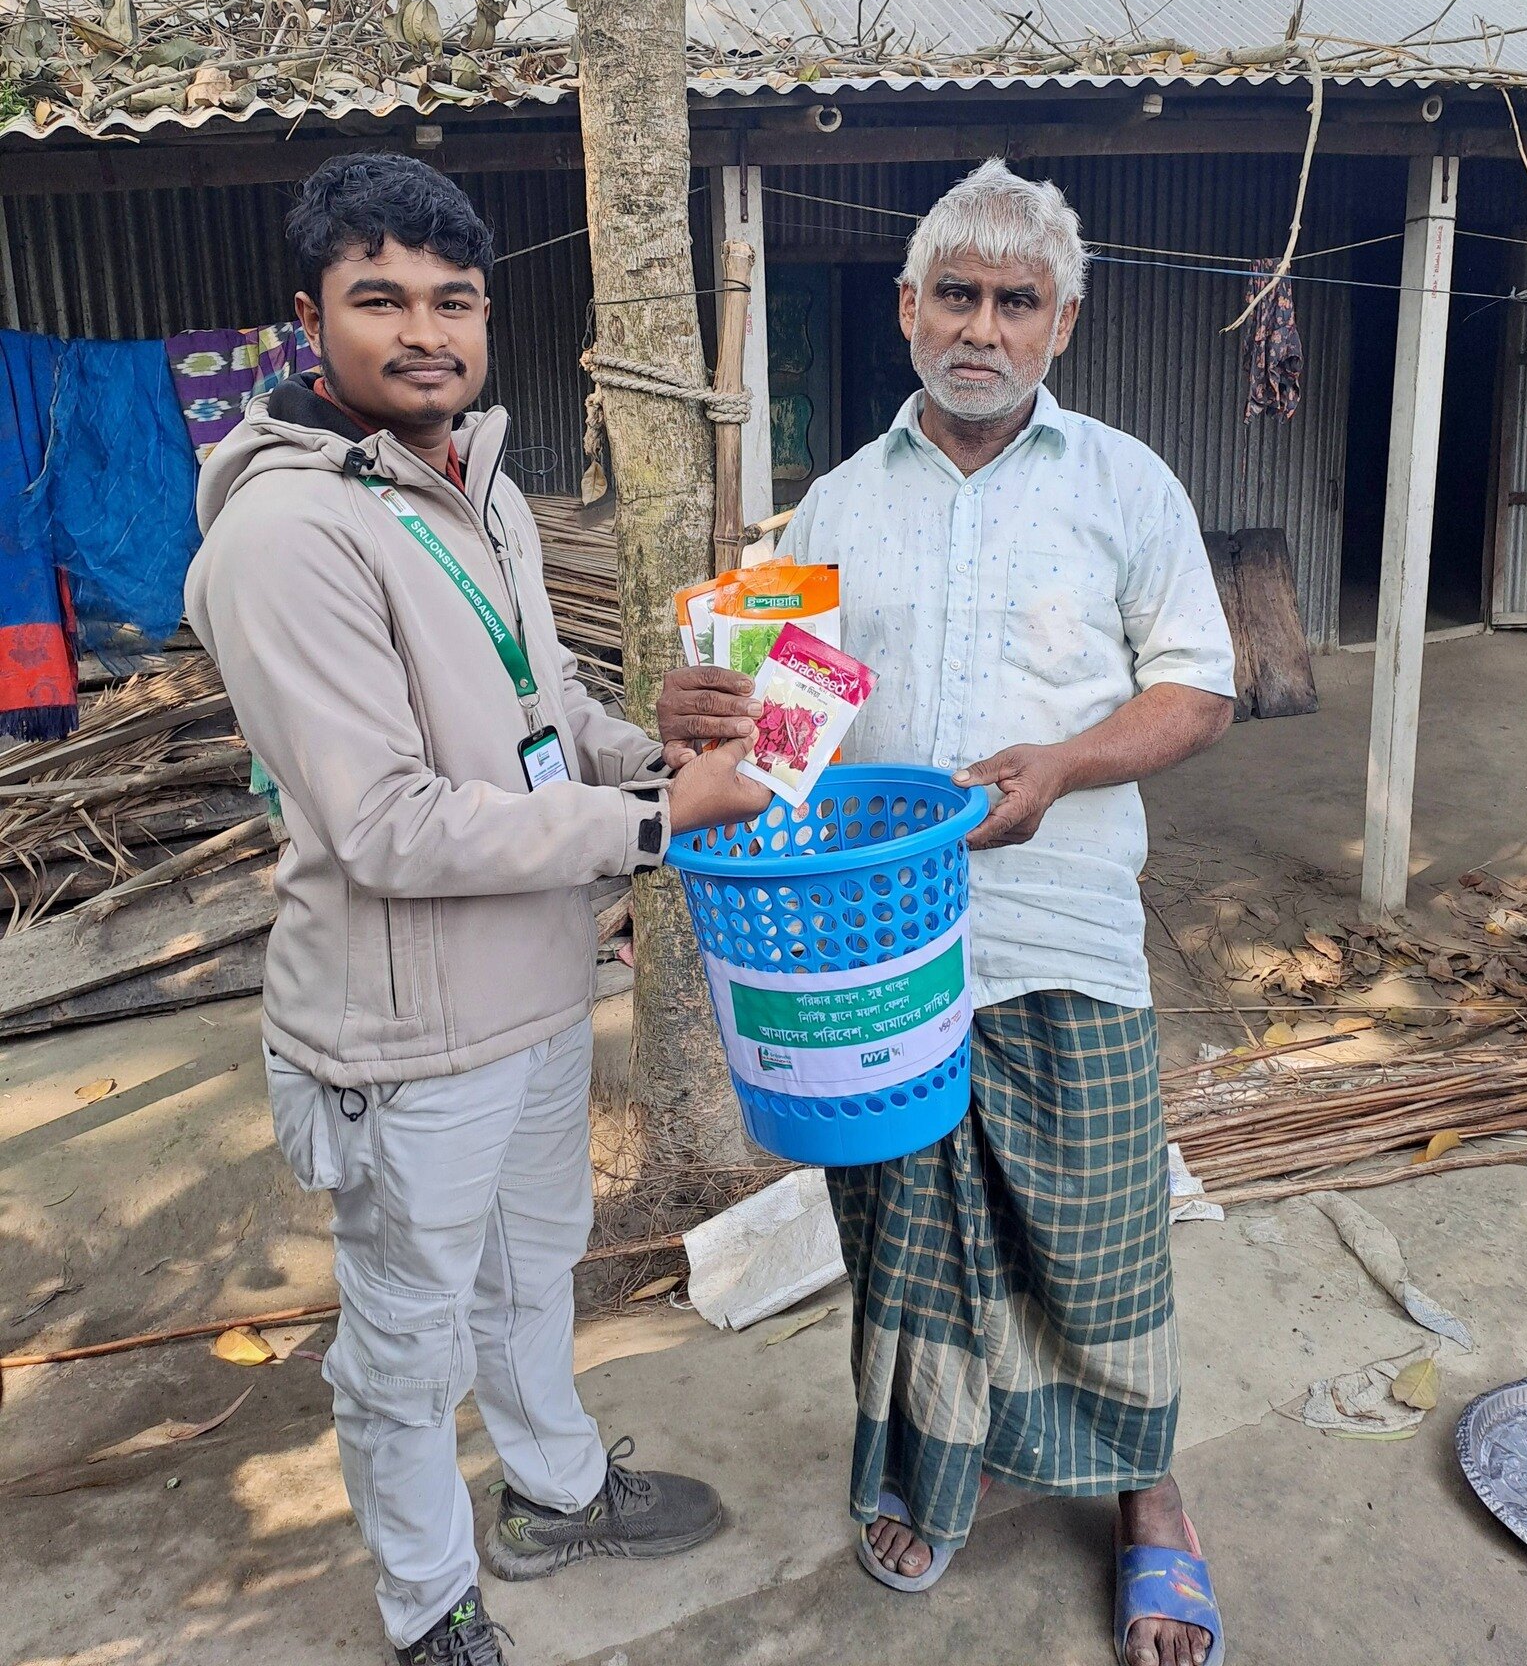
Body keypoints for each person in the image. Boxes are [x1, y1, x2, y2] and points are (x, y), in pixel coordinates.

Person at [185, 154, 769, 1666]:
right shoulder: (288, 535)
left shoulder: (472, 480)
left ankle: (557, 1492)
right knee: (403, 1335)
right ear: (307, 319)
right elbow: (385, 823)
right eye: (379, 299)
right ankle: (427, 1603)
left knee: (531, 1269)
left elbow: (542, 704)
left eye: (454, 299)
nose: (424, 331)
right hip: (405, 1032)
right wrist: (654, 820)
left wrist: (668, 750)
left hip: (535, 987)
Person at [777, 159, 1235, 1666]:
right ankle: (931, 1469)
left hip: (1066, 928)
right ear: (907, 308)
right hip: (890, 949)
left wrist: (1071, 762)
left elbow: (1198, 685)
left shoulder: (1126, 484)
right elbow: (789, 741)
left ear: (1063, 322)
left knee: (1102, 1229)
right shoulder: (835, 504)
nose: (982, 325)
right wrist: (716, 712)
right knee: (910, 1230)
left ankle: (1147, 1498)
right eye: (956, 295)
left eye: (1015, 301)